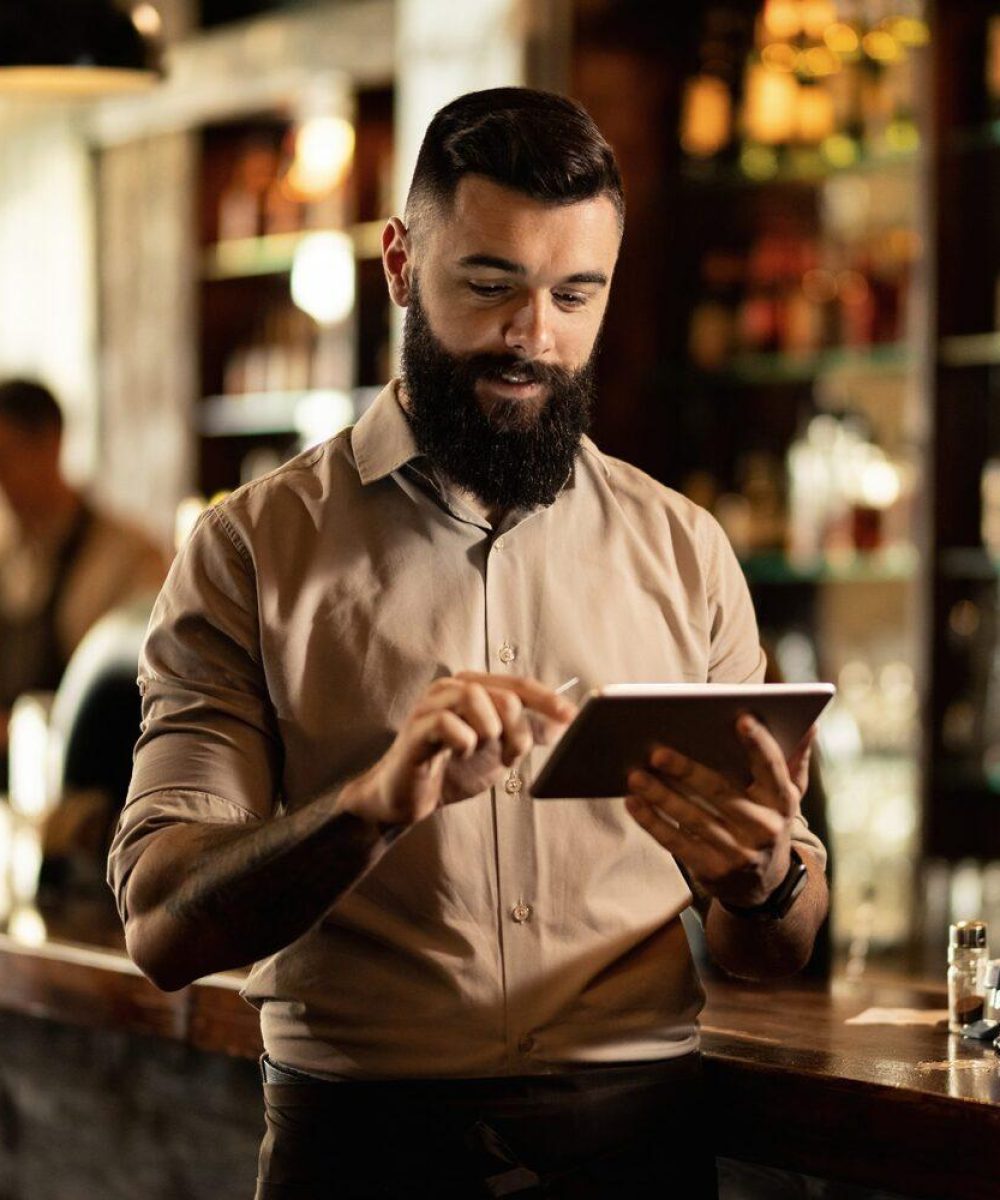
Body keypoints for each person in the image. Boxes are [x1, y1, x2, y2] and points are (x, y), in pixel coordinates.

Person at [108, 87, 829, 1199]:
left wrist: (763, 876)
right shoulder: (247, 550)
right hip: (360, 1153)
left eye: (574, 295)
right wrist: (368, 809)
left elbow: (775, 952)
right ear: (400, 263)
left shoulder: (686, 552)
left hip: (640, 1149)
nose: (533, 338)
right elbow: (161, 926)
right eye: (491, 286)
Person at [0, 378, 168, 762]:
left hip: (82, 774)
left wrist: (23, 730)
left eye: (8, 456)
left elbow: (137, 692)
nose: (2, 477)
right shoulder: (7, 550)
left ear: (51, 444)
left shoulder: (127, 555)